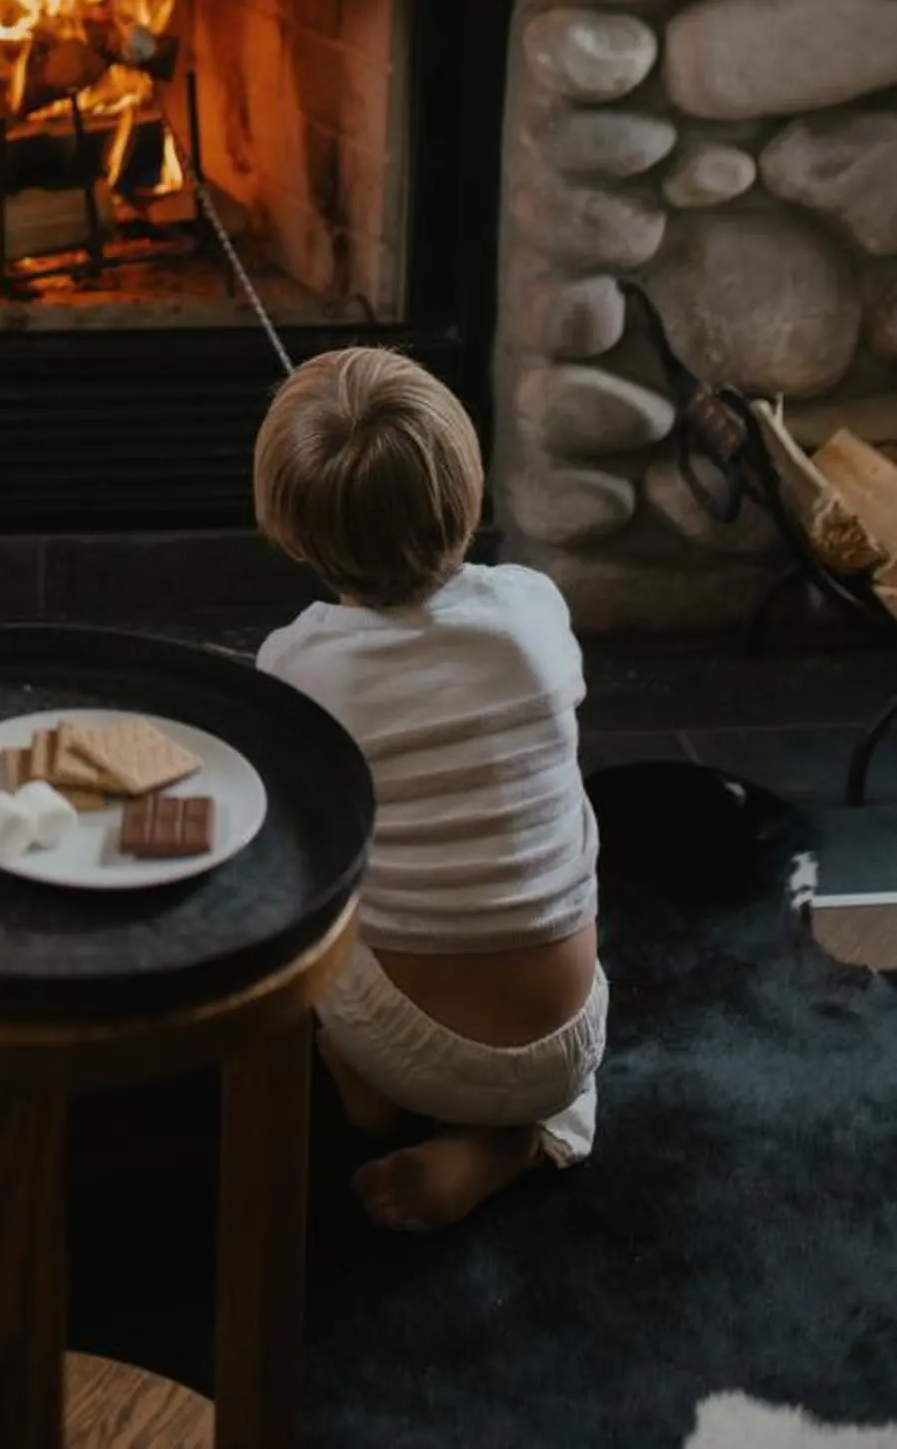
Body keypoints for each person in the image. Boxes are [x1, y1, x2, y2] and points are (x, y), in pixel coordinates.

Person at [253, 348, 604, 1234]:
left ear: (292, 530)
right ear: (468, 485)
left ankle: (375, 1079)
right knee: (547, 819)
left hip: (411, 1045)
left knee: (300, 869)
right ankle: (516, 1134)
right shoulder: (534, 611)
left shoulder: (296, 668)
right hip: (573, 1039)